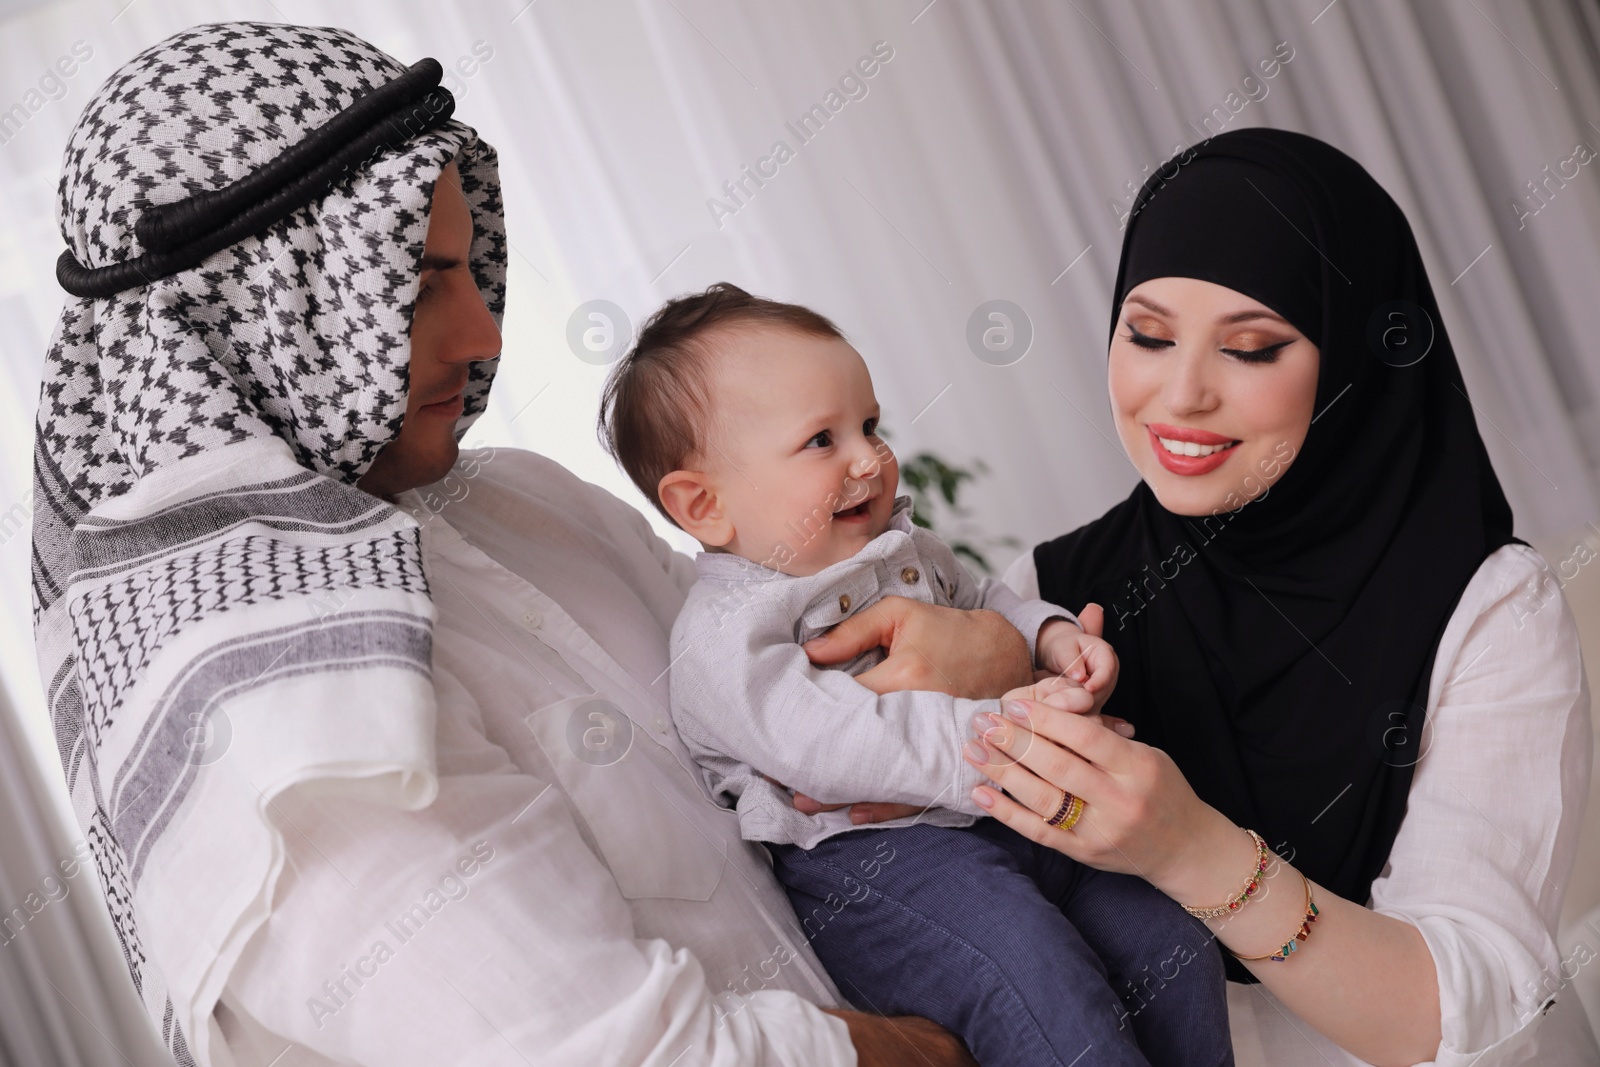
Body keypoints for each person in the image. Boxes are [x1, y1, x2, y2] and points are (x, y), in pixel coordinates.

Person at [33, 22, 1014, 1066]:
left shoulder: (520, 498)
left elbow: (808, 667)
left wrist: (993, 653)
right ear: (255, 316)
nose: (483, 333)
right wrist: (969, 1036)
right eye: (415, 288)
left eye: (466, 268)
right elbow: (625, 1051)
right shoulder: (267, 695)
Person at [818, 128, 1600, 1066]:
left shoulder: (1489, 609)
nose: (1179, 394)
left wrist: (1186, 846)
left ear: (1358, 359)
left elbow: (1475, 1012)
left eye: (1253, 348)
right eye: (1146, 334)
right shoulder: (1045, 595)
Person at [597, 283, 1232, 1067]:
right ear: (704, 505)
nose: (870, 458)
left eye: (869, 425)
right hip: (880, 866)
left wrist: (1053, 639)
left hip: (1011, 817)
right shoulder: (726, 635)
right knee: (1034, 978)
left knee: (1169, 936)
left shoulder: (905, 549)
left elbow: (986, 602)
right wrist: (1018, 735)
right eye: (821, 441)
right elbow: (824, 745)